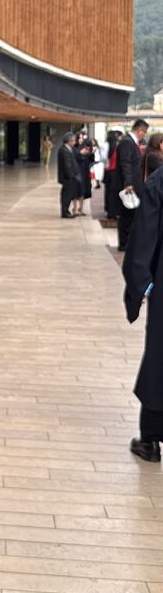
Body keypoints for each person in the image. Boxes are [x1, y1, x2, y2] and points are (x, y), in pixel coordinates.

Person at [122, 163, 163, 462]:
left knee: (160, 359)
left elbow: (144, 235)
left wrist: (142, 285)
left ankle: (150, 440)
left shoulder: (160, 181)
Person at [116, 119, 149, 252]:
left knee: (131, 215)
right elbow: (125, 163)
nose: (144, 135)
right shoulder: (127, 142)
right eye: (144, 132)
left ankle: (128, 241)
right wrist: (128, 183)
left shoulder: (131, 142)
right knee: (127, 215)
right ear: (140, 130)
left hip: (135, 184)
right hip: (130, 186)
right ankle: (124, 243)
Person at [57, 132, 79, 218]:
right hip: (67, 178)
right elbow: (67, 165)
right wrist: (71, 176)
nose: (74, 143)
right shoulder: (64, 150)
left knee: (68, 195)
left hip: (69, 177)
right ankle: (64, 212)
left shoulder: (68, 149)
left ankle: (66, 211)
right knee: (66, 195)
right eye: (73, 141)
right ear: (69, 141)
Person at [103, 129, 123, 220]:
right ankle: (113, 212)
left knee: (108, 191)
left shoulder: (106, 145)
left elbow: (103, 158)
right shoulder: (117, 146)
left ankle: (108, 210)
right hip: (115, 172)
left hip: (108, 171)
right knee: (114, 192)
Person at [74, 136, 94, 216]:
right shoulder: (75, 148)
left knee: (83, 190)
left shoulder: (87, 148)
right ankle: (74, 209)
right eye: (79, 138)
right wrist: (80, 153)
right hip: (77, 172)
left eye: (82, 138)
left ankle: (80, 209)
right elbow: (74, 158)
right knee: (75, 191)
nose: (80, 140)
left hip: (85, 172)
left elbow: (91, 160)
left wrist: (91, 153)